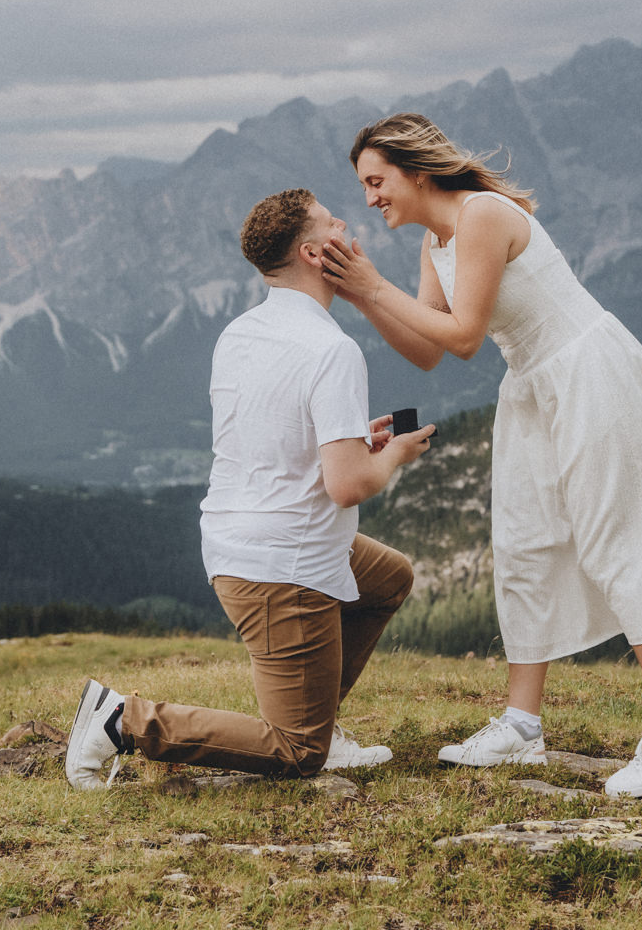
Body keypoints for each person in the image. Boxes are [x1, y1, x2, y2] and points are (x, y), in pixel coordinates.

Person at [320, 113, 642, 798]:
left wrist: (370, 283)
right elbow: (426, 349)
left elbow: (466, 334)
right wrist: (360, 291)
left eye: (376, 181)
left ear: (416, 171)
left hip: (588, 372)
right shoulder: (435, 242)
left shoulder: (480, 215)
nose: (370, 198)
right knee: (526, 544)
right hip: (532, 384)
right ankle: (522, 726)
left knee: (612, 537)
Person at [66, 188, 436, 790]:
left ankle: (320, 715)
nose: (350, 221)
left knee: (388, 576)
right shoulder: (332, 350)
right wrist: (394, 453)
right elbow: (347, 487)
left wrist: (344, 437)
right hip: (284, 566)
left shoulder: (239, 333)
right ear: (317, 254)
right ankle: (126, 721)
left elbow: (277, 438)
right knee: (296, 752)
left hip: (237, 541)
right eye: (333, 221)